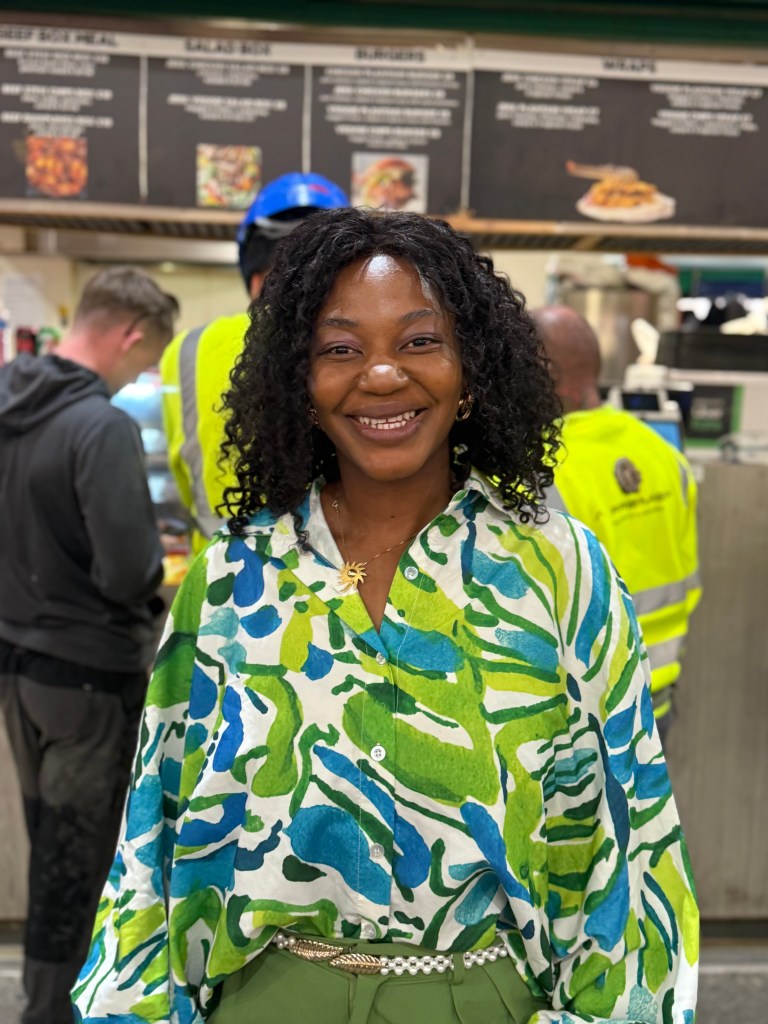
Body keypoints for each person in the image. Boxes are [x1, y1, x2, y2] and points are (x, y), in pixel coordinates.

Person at [74, 211, 698, 1024]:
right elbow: (149, 845)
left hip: (487, 1000)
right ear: (299, 379)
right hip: (270, 999)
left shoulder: (559, 571)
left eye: (418, 342)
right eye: (340, 348)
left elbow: (631, 847)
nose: (379, 375)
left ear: (471, 369)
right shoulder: (237, 580)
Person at [0, 266, 179, 1024]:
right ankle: (57, 1011)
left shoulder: (10, 400)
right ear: (132, 335)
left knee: (50, 846)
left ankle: (40, 998)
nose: (140, 376)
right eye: (145, 362)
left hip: (19, 663)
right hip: (89, 677)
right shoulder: (98, 425)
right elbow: (127, 568)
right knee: (84, 858)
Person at [532, 306, 701, 741]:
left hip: (581, 719)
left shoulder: (538, 469)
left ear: (537, 369)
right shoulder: (662, 454)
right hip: (655, 700)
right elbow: (690, 579)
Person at [160, 171, 349, 553]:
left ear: (253, 275)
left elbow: (182, 473)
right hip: (336, 588)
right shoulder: (359, 345)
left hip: (216, 582)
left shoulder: (188, 349)